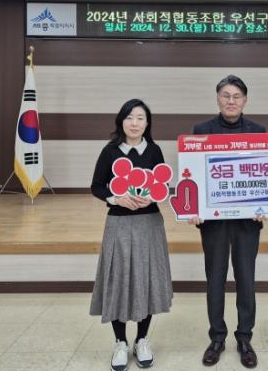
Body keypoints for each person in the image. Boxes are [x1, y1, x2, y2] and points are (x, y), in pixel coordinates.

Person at [189, 75, 265, 368]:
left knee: (246, 279)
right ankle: (217, 338)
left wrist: (265, 205)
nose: (231, 101)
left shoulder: (258, 132)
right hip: (214, 221)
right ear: (217, 98)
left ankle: (244, 337)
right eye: (225, 95)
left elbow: (265, 174)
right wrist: (194, 207)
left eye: (236, 96)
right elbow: (194, 173)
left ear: (245, 100)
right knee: (215, 279)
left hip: (248, 220)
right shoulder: (202, 131)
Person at [90, 99, 173, 371]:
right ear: (121, 121)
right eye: (129, 117)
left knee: (146, 280)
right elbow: (97, 186)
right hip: (119, 224)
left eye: (140, 118)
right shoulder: (111, 151)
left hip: (149, 224)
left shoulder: (154, 150)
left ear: (147, 123)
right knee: (118, 280)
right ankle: (120, 343)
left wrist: (151, 197)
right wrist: (116, 198)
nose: (134, 123)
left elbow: (162, 185)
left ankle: (142, 340)